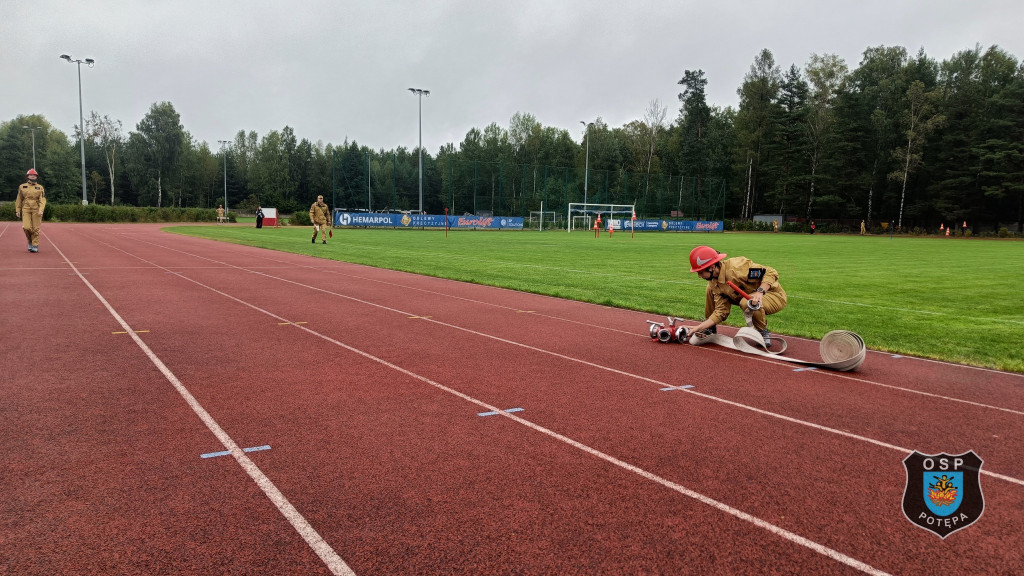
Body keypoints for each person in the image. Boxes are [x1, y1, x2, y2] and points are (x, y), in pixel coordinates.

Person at [685, 245, 788, 347]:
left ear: (712, 267)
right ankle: (709, 328)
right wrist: (699, 327)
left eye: (700, 272)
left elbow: (771, 272)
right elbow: (721, 311)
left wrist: (760, 292)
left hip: (773, 295)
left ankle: (763, 332)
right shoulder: (713, 282)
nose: (699, 276)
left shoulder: (737, 268)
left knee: (746, 301)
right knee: (709, 289)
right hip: (745, 297)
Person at [15, 168, 46, 253]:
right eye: (31, 174)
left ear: (36, 176)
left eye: (34, 175)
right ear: (27, 176)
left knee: (36, 228)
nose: (32, 176)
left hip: (36, 209)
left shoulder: (40, 187)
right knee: (26, 227)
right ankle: (30, 240)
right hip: (26, 208)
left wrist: (41, 209)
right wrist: (17, 210)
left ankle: (35, 245)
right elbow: (19, 199)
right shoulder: (22, 186)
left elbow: (42, 199)